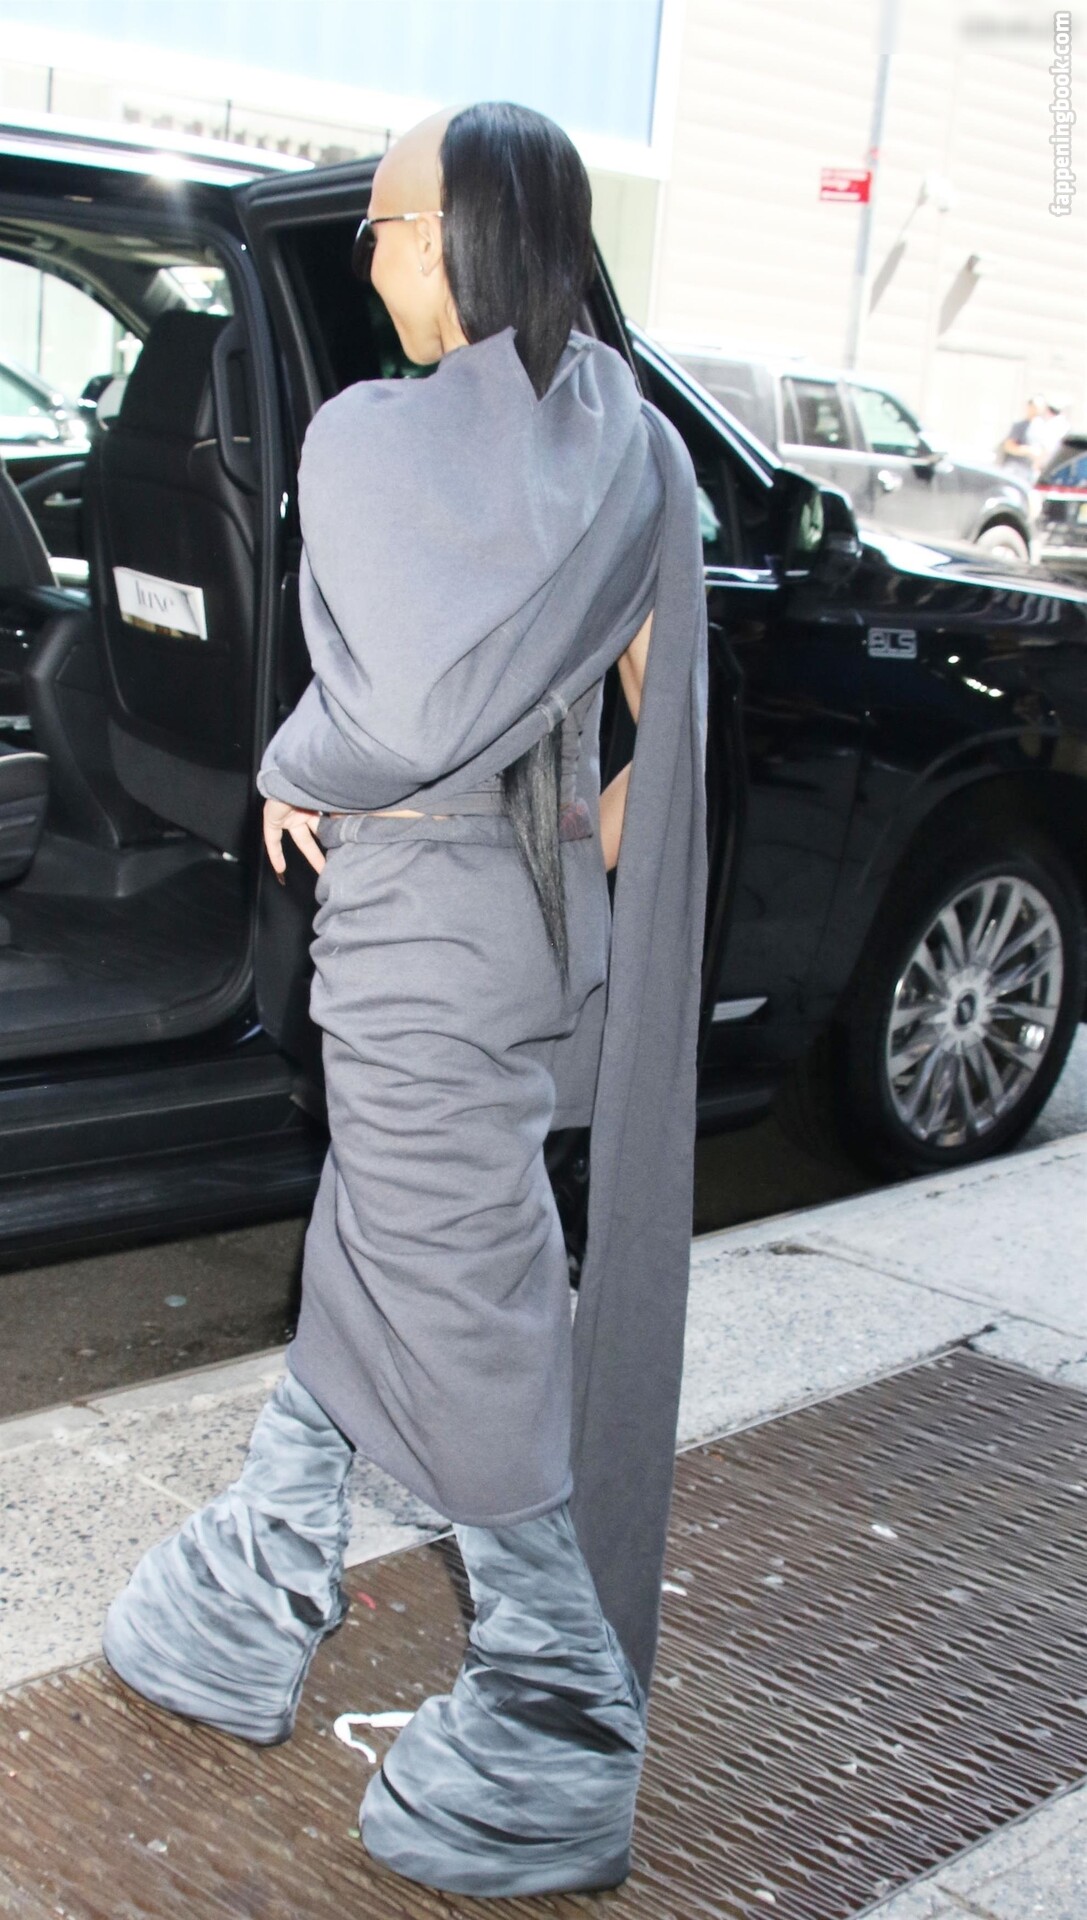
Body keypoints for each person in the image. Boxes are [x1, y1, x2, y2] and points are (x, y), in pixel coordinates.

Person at [102, 100, 708, 1898]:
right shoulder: (635, 448)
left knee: (470, 1308)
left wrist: (300, 763)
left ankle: (553, 1726)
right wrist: (561, 868)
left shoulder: (372, 438)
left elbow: (392, 707)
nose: (367, 261)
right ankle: (247, 1589)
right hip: (526, 936)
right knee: (379, 1253)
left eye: (379, 225)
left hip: (410, 945)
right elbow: (654, 742)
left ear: (456, 236)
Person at [998, 393, 1064, 481]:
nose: (1037, 409)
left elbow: (1046, 450)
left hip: (1030, 471)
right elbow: (1009, 446)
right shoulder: (1020, 426)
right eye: (1034, 406)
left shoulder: (1044, 429)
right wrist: (1027, 450)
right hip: (1014, 468)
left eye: (1040, 407)